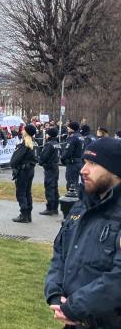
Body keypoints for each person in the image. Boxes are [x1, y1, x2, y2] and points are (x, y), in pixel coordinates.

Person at [44, 138, 121, 328]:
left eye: (93, 164)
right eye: (85, 162)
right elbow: (60, 252)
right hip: (74, 320)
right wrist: (54, 293)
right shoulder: (81, 206)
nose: (83, 170)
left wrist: (74, 307)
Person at [10, 124, 38, 223]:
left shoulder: (25, 144)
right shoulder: (33, 143)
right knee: (27, 192)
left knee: (21, 193)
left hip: (23, 171)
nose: (22, 131)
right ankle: (28, 214)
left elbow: (15, 159)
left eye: (23, 130)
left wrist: (13, 164)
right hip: (29, 170)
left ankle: (24, 215)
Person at [39, 127, 60, 216]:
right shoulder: (57, 143)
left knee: (49, 187)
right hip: (55, 167)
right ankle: (55, 207)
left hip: (50, 167)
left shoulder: (49, 144)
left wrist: (41, 162)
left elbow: (44, 156)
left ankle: (50, 208)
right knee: (54, 187)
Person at [60, 122, 83, 190]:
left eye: (69, 127)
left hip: (73, 163)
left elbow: (68, 151)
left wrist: (63, 159)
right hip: (80, 161)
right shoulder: (81, 137)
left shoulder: (73, 137)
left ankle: (72, 199)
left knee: (71, 184)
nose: (67, 128)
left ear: (72, 128)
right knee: (76, 183)